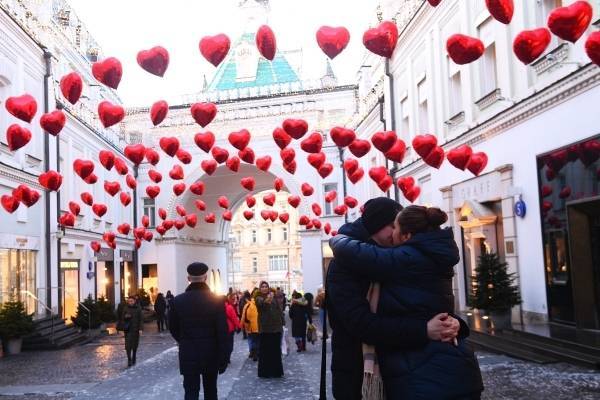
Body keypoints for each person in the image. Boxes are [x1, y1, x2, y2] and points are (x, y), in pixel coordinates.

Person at [330, 204, 484, 399]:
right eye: (391, 226)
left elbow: (423, 307)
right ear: (376, 226)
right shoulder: (349, 266)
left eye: (397, 227)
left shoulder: (400, 259)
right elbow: (361, 324)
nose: (395, 233)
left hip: (419, 377)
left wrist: (450, 324)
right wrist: (433, 327)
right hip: (360, 377)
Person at [169, 262, 229, 400]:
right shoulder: (217, 300)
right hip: (211, 353)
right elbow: (222, 331)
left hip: (188, 352)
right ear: (206, 277)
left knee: (190, 391)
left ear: (188, 279)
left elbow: (173, 328)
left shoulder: (178, 301)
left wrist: (184, 340)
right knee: (211, 391)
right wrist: (224, 356)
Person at [255, 281, 284, 378]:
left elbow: (279, 310)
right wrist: (269, 297)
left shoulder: (274, 297)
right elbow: (263, 303)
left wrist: (282, 322)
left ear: (268, 287)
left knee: (275, 351)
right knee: (265, 352)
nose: (264, 288)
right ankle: (265, 372)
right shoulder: (258, 297)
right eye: (262, 286)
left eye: (266, 286)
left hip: (276, 328)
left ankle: (276, 372)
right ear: (260, 288)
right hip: (265, 329)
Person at [117, 295, 143, 367]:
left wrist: (140, 329)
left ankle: (134, 356)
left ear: (134, 301)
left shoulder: (138, 308)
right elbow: (122, 318)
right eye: (129, 301)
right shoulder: (125, 308)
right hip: (128, 329)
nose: (130, 302)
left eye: (131, 301)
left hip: (136, 330)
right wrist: (126, 317)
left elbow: (141, 319)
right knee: (128, 345)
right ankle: (129, 359)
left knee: (135, 345)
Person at [241, 290, 259, 361]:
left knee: (251, 340)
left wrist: (241, 325)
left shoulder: (247, 305)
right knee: (257, 340)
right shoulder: (258, 305)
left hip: (250, 327)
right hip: (258, 326)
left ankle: (253, 353)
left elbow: (243, 317)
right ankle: (257, 353)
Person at [224, 296, 241, 364]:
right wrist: (238, 326)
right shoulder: (229, 307)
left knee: (223, 344)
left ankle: (223, 357)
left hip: (220, 329)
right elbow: (234, 318)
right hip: (229, 329)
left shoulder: (216, 308)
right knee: (229, 344)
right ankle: (227, 357)